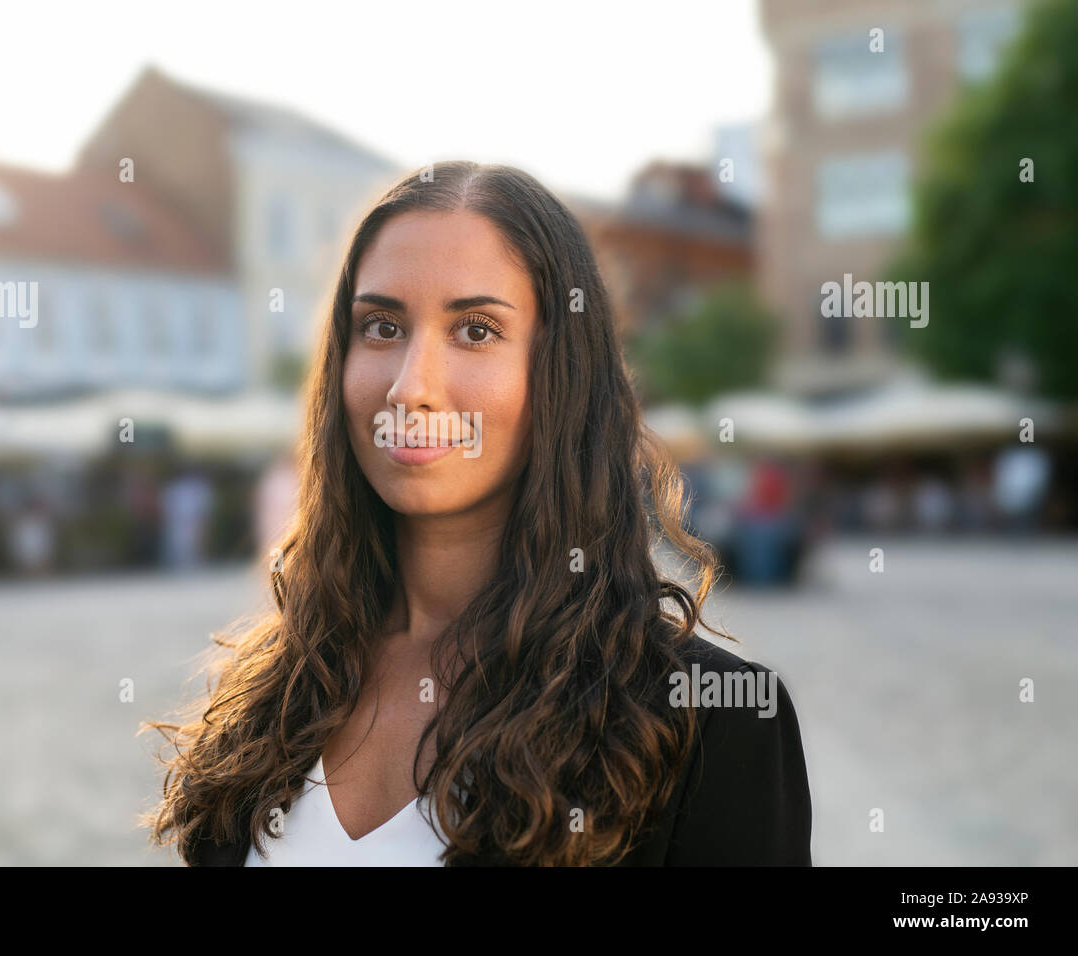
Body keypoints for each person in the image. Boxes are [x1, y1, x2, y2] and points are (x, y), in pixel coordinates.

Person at [142, 162, 811, 866]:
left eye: (476, 330)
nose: (411, 386)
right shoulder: (272, 694)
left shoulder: (715, 722)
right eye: (381, 326)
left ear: (562, 373)